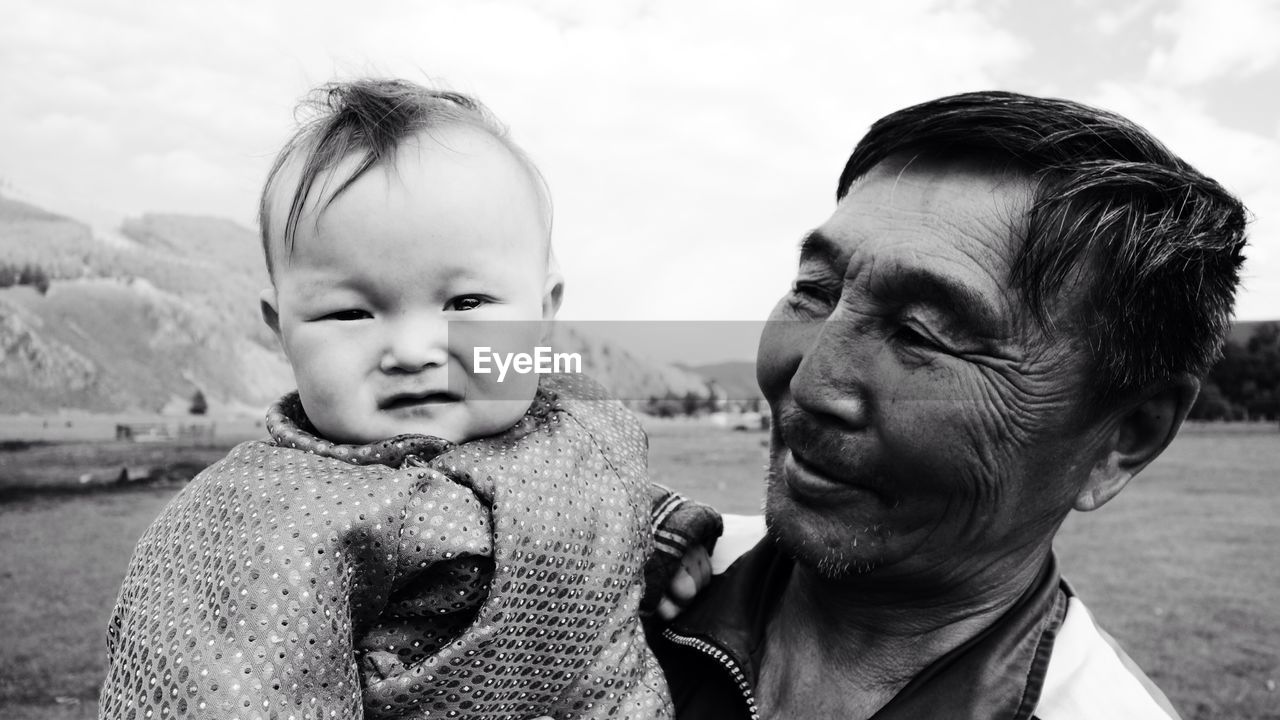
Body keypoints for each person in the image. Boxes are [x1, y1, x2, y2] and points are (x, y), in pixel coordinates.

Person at [100, 78, 719, 720]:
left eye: (467, 303)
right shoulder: (269, 517)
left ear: (542, 312)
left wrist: (667, 543)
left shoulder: (576, 424)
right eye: (349, 313)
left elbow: (605, 499)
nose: (413, 349)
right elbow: (223, 688)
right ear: (279, 326)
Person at [652, 91, 1247, 719]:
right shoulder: (630, 575)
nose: (810, 385)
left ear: (1125, 436)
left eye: (922, 334)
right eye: (815, 291)